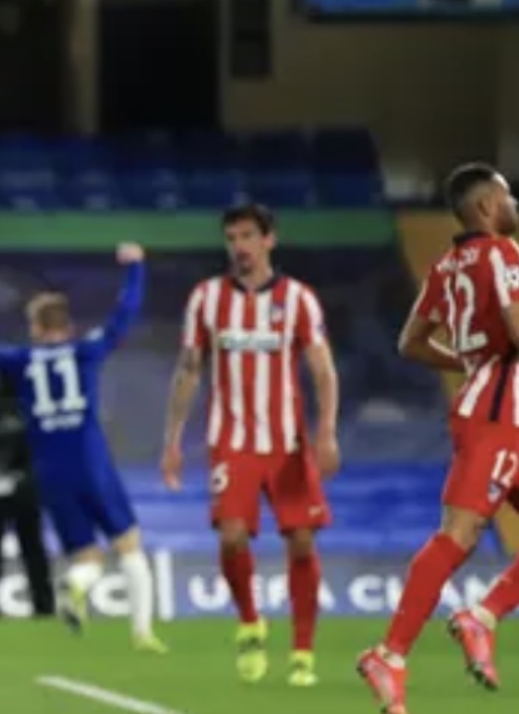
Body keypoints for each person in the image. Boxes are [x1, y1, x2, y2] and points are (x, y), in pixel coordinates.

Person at [356, 163, 519, 714]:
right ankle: (389, 654)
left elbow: (411, 343)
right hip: (493, 419)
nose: (514, 203)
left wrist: (469, 362)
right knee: (459, 535)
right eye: (506, 196)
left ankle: (480, 617)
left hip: (505, 421)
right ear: (485, 208)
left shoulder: (445, 266)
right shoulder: (504, 253)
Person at [0, 243, 166, 653]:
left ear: (35, 328)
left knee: (87, 556)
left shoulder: (20, 361)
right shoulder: (87, 351)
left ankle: (75, 585)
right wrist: (136, 269)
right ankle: (142, 633)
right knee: (128, 543)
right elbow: (124, 314)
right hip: (91, 462)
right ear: (68, 326)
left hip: (50, 472)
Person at [159, 203, 341, 687]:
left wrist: (326, 432)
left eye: (247, 236)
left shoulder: (298, 299)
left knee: (301, 540)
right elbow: (189, 370)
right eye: (231, 238)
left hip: (287, 444)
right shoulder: (207, 299)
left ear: (268, 240)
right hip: (232, 441)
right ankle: (250, 624)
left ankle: (302, 651)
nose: (239, 246)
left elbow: (323, 370)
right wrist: (173, 439)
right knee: (232, 535)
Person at [0, 373, 55, 618]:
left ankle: (43, 606)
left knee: (32, 548)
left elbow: (42, 442)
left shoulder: (31, 403)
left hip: (24, 487)